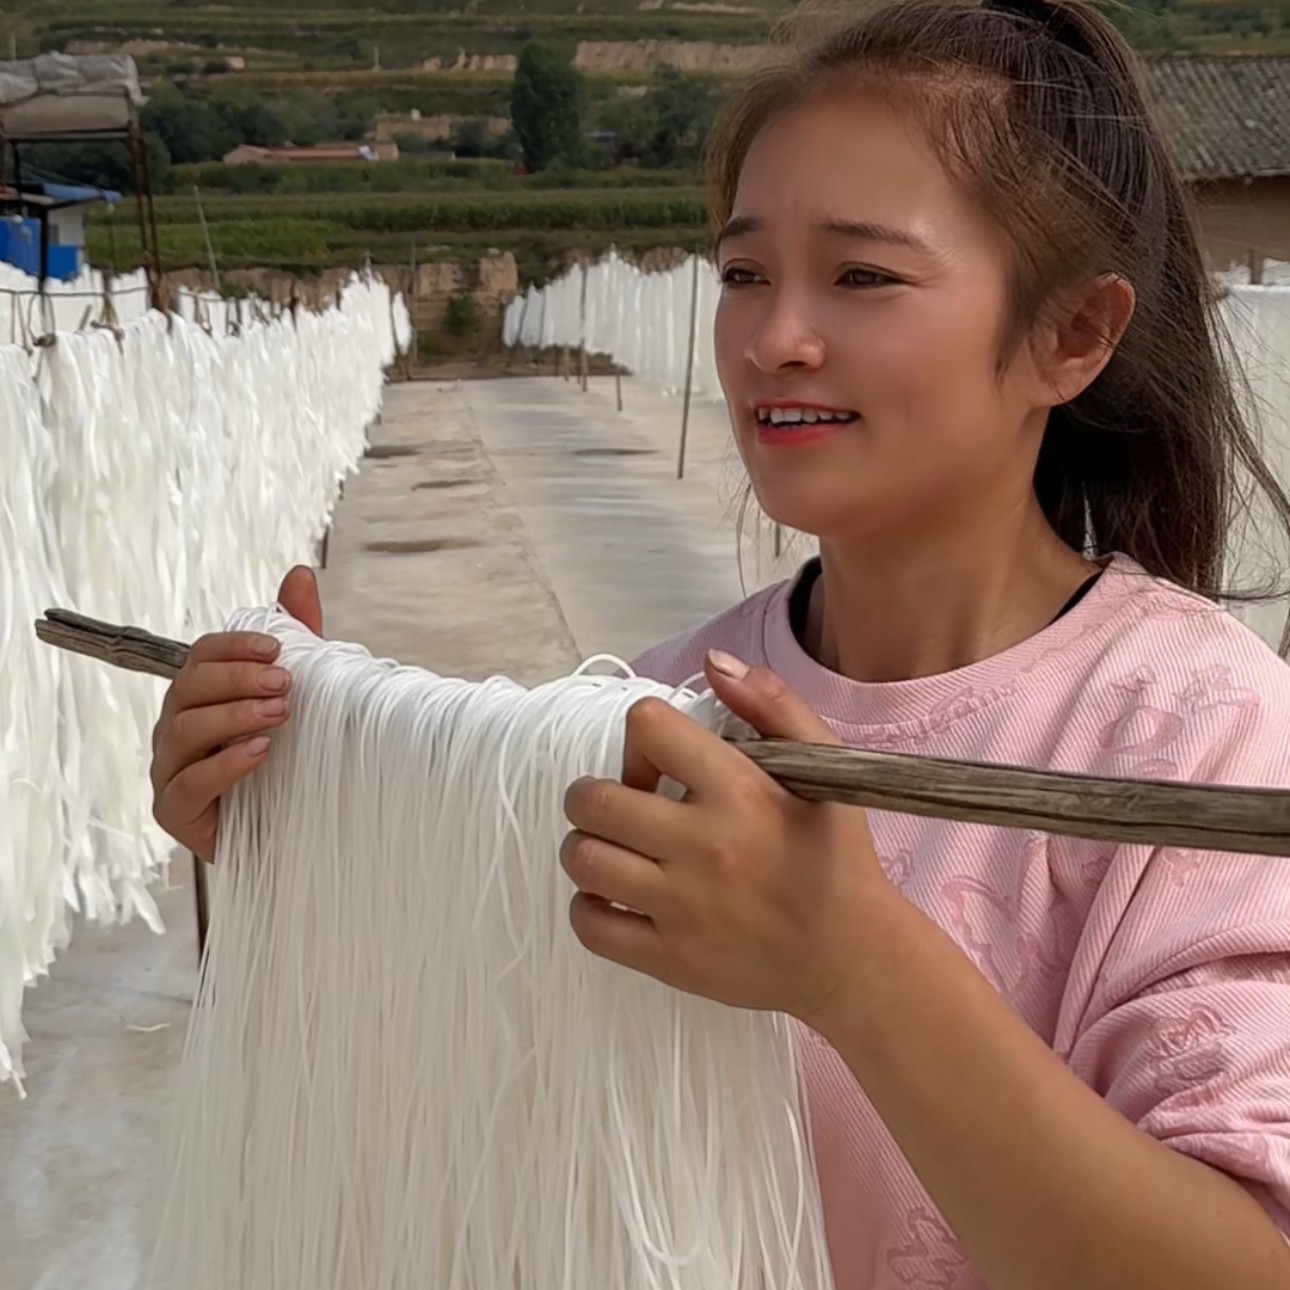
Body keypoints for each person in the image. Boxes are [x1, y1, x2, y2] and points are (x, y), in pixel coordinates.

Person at [149, 1, 1290, 1286]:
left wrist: (857, 968)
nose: (772, 335)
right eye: (745, 272)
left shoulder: (1199, 734)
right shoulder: (654, 705)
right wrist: (299, 828)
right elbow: (485, 1109)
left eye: (861, 275)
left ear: (1070, 335)